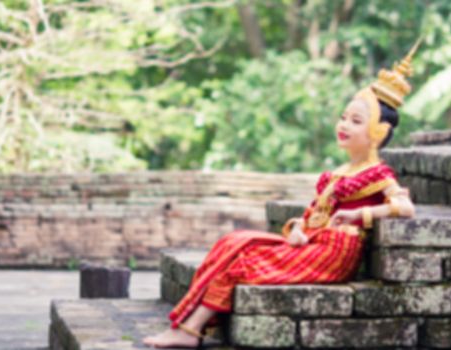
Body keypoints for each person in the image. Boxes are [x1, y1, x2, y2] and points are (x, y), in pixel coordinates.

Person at [142, 39, 421, 349]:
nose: (343, 125)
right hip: (315, 243)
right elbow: (313, 213)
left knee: (241, 263)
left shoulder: (378, 173)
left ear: (378, 133)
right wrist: (299, 228)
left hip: (335, 253)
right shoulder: (339, 173)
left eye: (355, 121)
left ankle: (189, 331)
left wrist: (359, 215)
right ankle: (187, 327)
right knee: (233, 243)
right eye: (343, 117)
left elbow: (404, 207)